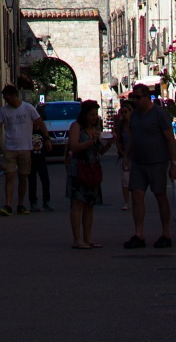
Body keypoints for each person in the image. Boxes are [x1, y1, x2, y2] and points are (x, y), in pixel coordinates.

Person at [124, 82, 176, 249]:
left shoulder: (159, 114)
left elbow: (170, 139)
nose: (136, 101)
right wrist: (127, 155)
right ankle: (139, 234)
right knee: (137, 195)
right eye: (133, 98)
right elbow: (134, 137)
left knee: (160, 195)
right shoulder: (134, 116)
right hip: (139, 162)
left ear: (147, 97)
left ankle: (166, 234)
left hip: (157, 162)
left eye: (138, 97)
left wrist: (173, 163)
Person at [0, 84, 48, 216]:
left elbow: (40, 122)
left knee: (23, 177)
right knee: (9, 176)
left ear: (14, 96)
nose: (6, 101)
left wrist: (47, 138)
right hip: (10, 148)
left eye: (8, 98)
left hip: (25, 148)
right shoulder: (4, 111)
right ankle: (8, 205)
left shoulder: (28, 108)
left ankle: (20, 204)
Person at [66, 99, 108, 248]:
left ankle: (88, 238)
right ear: (84, 115)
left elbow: (100, 151)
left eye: (95, 114)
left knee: (90, 204)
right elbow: (73, 146)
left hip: (92, 168)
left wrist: (108, 143)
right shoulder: (76, 127)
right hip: (79, 168)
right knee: (78, 203)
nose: (94, 117)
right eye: (91, 115)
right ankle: (78, 239)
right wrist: (89, 142)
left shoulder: (95, 128)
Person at [28, 106, 52, 212]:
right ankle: (33, 202)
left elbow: (47, 144)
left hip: (41, 159)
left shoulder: (43, 132)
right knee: (32, 182)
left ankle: (46, 201)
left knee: (45, 180)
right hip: (31, 159)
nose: (36, 124)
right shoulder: (29, 131)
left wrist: (48, 143)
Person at [114, 97, 134, 210]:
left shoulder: (134, 125)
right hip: (124, 156)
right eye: (122, 112)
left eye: (126, 112)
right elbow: (118, 140)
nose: (124, 114)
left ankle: (135, 199)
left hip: (134, 156)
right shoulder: (121, 125)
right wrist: (121, 151)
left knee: (135, 178)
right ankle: (127, 202)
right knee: (125, 179)